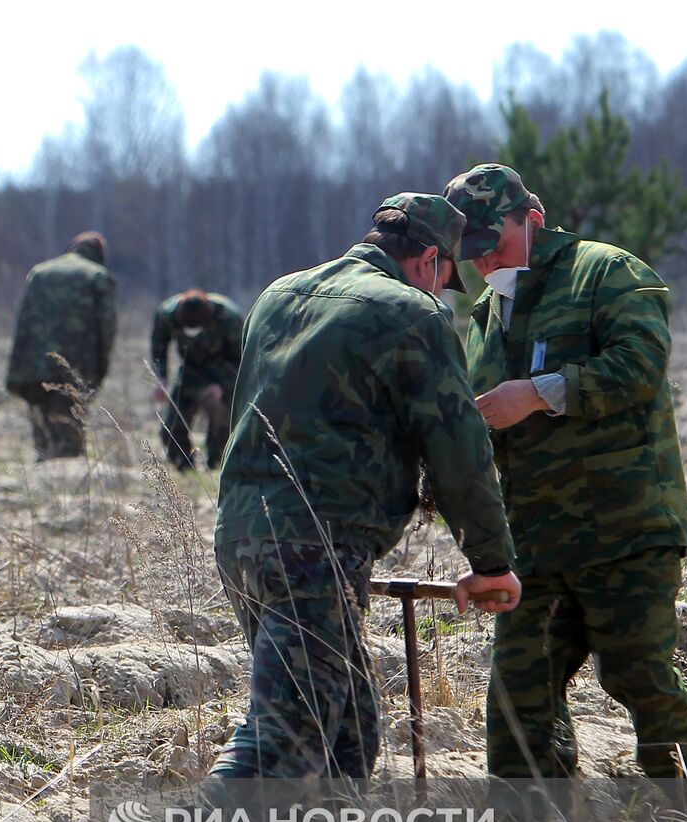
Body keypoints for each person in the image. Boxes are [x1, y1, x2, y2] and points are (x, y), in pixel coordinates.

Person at [209, 193, 521, 789]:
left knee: (348, 725)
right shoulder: (413, 315)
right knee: (285, 735)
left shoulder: (278, 295)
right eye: (446, 279)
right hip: (314, 546)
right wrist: (492, 563)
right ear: (429, 260)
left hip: (241, 535)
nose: (442, 294)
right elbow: (460, 454)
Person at [442, 163, 687, 808]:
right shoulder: (486, 317)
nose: (485, 264)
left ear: (532, 219)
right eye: (472, 254)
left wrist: (541, 394)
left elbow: (642, 364)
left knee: (638, 677)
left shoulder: (605, 272)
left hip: (624, 529)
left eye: (496, 244)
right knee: (520, 688)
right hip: (534, 545)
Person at [5, 232, 117, 460]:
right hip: (76, 364)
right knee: (68, 430)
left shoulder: (39, 271)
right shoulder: (98, 276)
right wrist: (101, 368)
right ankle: (65, 481)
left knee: (42, 427)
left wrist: (17, 365)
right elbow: (107, 328)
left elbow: (22, 321)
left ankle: (44, 474)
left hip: (33, 361)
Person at [150, 289, 244, 471]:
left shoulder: (227, 317)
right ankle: (184, 468)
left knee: (222, 425)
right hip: (190, 370)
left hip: (222, 369)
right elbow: (159, 347)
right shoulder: (166, 315)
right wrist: (161, 378)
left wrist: (223, 386)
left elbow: (242, 358)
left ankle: (217, 466)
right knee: (172, 427)